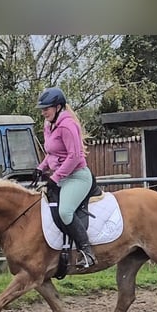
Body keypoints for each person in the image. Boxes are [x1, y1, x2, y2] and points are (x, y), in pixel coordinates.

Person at [32, 87, 96, 268]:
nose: (43, 112)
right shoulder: (49, 125)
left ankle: (87, 250)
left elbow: (74, 156)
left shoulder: (67, 126)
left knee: (65, 211)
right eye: (42, 109)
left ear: (58, 107)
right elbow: (52, 153)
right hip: (62, 177)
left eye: (47, 108)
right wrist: (41, 167)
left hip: (77, 177)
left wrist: (56, 177)